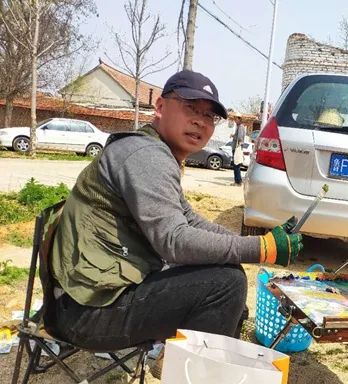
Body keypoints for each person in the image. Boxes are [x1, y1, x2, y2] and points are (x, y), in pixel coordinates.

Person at [46, 70, 303, 363]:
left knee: (225, 271)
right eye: (191, 108)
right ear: (160, 106)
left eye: (209, 116)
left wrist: (262, 242)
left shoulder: (153, 151)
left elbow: (189, 220)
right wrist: (261, 249)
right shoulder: (145, 155)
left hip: (93, 297)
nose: (200, 121)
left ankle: (188, 367)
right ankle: (191, 383)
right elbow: (174, 241)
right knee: (226, 284)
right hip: (87, 312)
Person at [231, 115, 245, 185]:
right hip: (237, 147)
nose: (235, 121)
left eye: (236, 119)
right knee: (237, 165)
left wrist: (238, 146)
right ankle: (238, 181)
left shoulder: (240, 127)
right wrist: (233, 135)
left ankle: (238, 181)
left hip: (237, 148)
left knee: (236, 165)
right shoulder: (239, 127)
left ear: (239, 119)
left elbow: (240, 137)